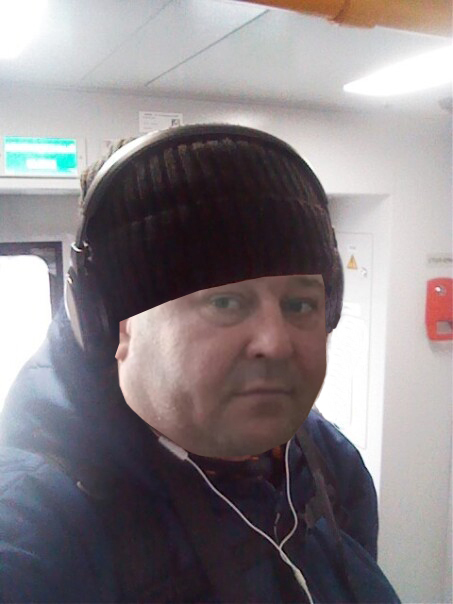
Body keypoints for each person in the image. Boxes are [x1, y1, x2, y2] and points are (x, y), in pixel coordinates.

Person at [0, 124, 401, 603]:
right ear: (110, 324)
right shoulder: (34, 532)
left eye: (299, 305)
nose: (276, 344)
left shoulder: (328, 463)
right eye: (225, 303)